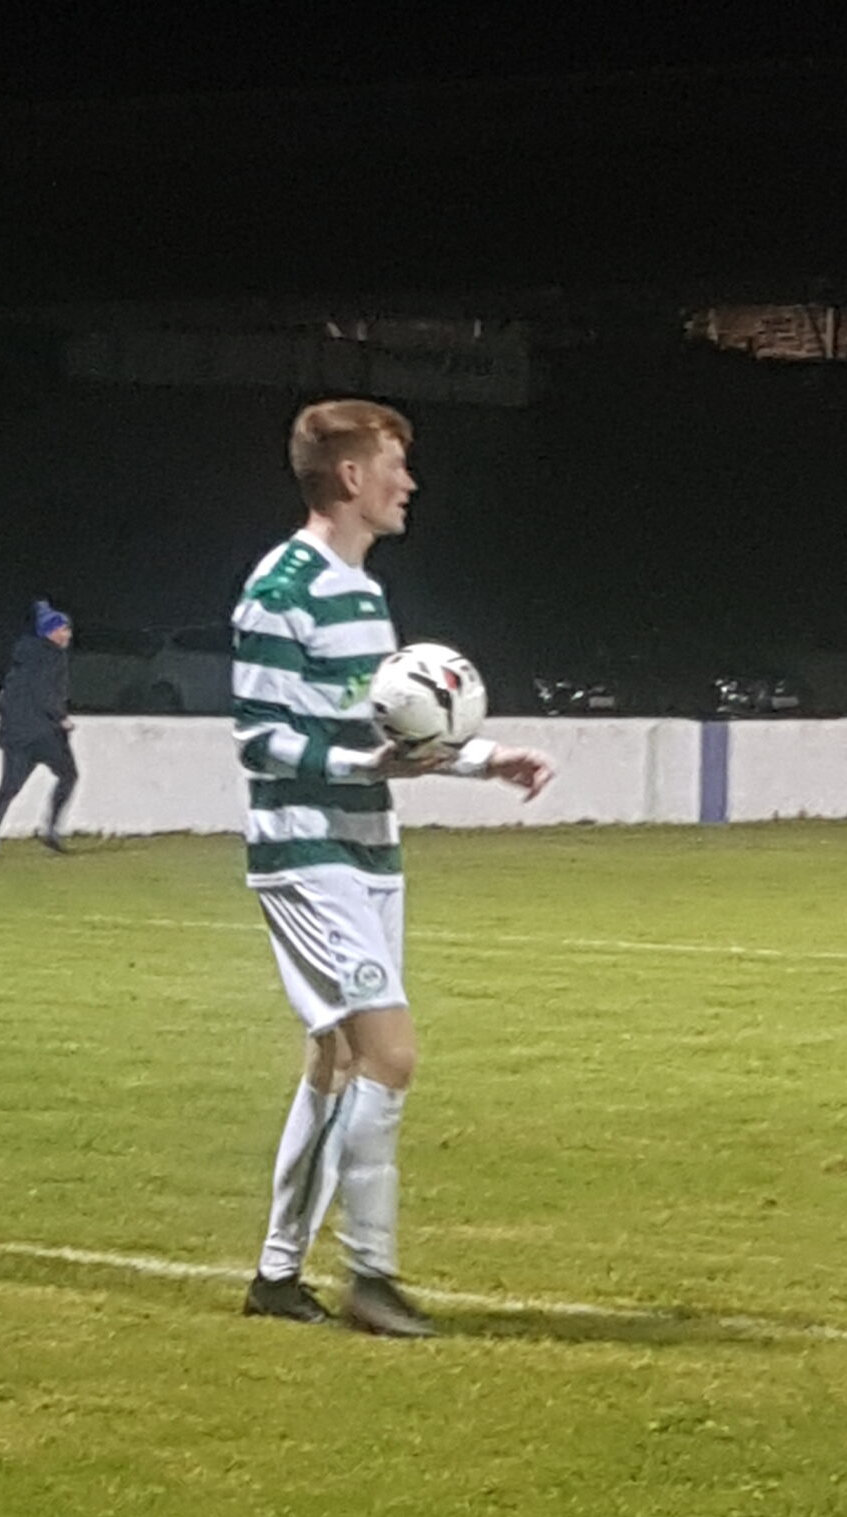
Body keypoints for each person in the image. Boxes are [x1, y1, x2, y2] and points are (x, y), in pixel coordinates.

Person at [234, 397, 552, 1337]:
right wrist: (361, 768)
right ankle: (372, 1277)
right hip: (305, 851)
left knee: (339, 1060)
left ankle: (278, 1275)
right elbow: (259, 740)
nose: (408, 483)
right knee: (391, 1053)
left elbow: (390, 741)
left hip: (370, 849)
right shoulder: (280, 588)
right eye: (394, 465)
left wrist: (487, 760)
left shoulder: (365, 595)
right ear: (350, 476)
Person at [0, 601, 77, 857]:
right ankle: (51, 829)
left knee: (8, 788)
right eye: (64, 629)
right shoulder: (54, 657)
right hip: (45, 733)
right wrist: (61, 717)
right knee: (68, 775)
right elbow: (46, 693)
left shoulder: (22, 658)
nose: (68, 635)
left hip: (15, 735)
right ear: (51, 632)